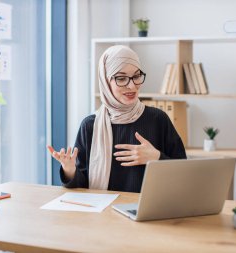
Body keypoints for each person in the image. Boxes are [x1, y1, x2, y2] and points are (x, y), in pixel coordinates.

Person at [48, 45, 186, 193]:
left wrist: (157, 157)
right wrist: (69, 169)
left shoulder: (158, 119)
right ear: (106, 82)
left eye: (136, 76)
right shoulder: (90, 125)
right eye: (121, 78)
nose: (132, 85)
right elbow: (82, 187)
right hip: (103, 213)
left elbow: (184, 174)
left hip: (148, 212)